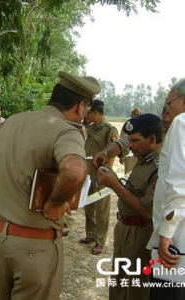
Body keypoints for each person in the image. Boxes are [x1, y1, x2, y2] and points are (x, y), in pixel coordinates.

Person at [0, 71, 101, 299]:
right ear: (81, 106)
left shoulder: (10, 122)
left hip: (0, 242)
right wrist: (54, 202)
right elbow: (74, 170)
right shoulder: (65, 131)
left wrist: (13, 176)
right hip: (35, 248)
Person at [97, 113, 162, 300]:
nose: (130, 145)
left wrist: (115, 184)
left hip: (141, 235)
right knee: (118, 284)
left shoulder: (159, 167)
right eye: (129, 140)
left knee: (136, 289)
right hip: (124, 229)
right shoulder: (144, 160)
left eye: (135, 140)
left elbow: (146, 211)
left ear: (152, 139)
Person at [147, 78, 185, 299]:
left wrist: (165, 235)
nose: (167, 109)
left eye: (169, 102)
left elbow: (179, 185)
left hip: (176, 245)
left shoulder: (182, 123)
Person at [79, 100, 119, 255]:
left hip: (101, 174)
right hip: (88, 172)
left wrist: (106, 171)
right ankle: (91, 234)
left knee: (102, 208)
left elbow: (112, 153)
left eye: (89, 112)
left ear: (96, 112)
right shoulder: (90, 129)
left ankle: (100, 241)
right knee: (88, 204)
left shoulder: (109, 130)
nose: (87, 114)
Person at [119, 108, 142, 174]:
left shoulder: (143, 126)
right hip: (129, 155)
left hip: (139, 155)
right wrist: (121, 156)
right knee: (128, 174)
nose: (135, 116)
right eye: (134, 114)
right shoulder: (127, 126)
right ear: (131, 115)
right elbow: (122, 139)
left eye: (137, 115)